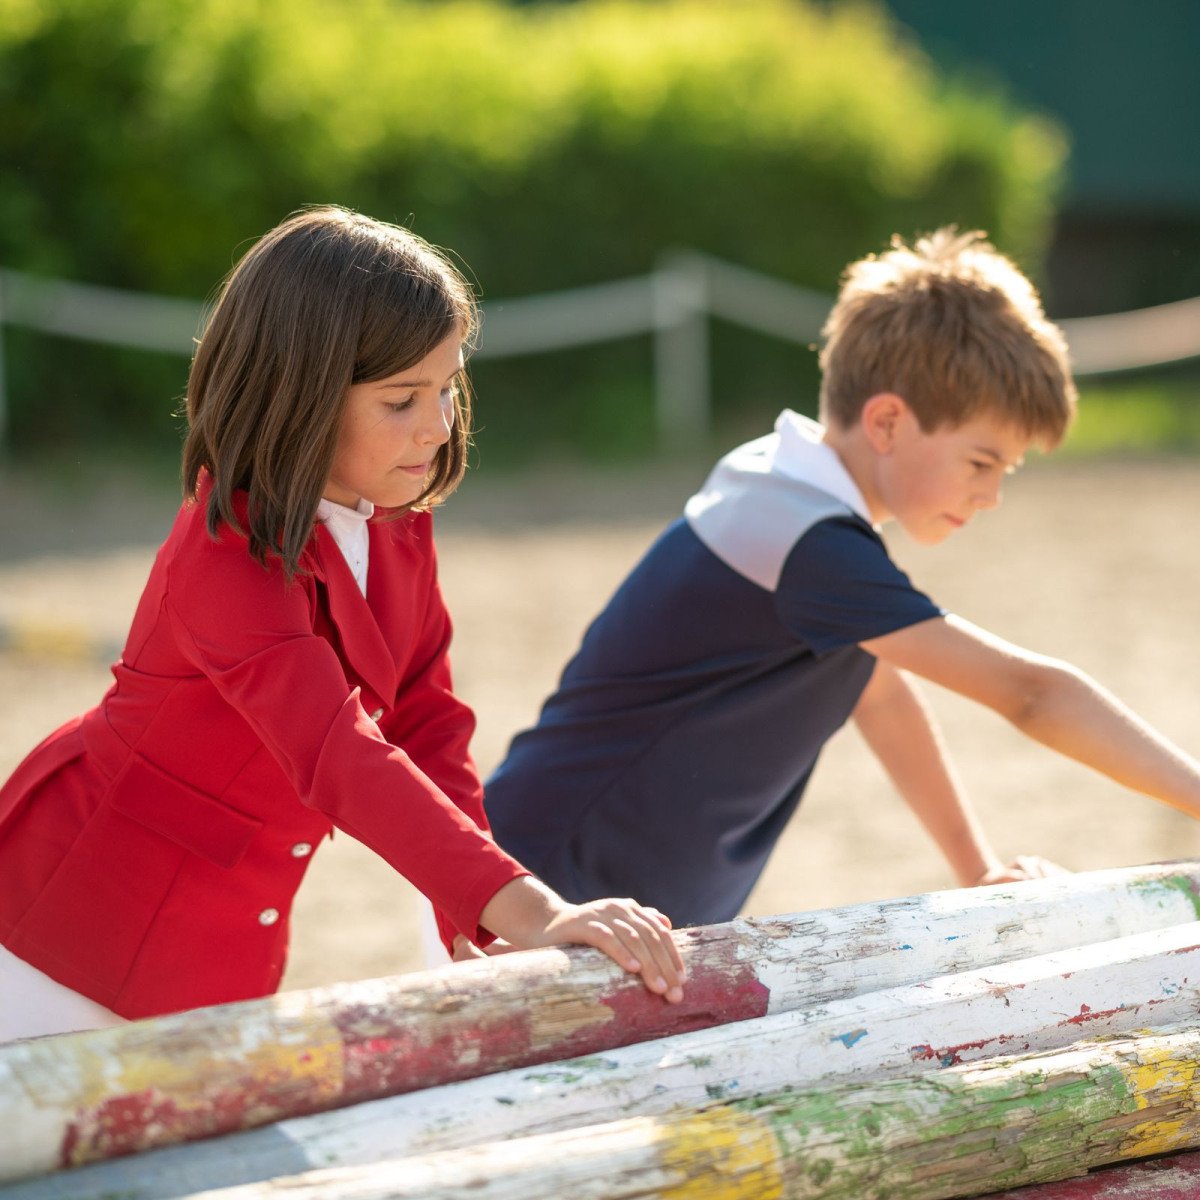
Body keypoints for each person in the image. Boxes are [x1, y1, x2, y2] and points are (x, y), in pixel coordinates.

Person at [0, 206, 684, 1042]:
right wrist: (539, 910)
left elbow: (428, 723)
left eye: (447, 387)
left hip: (224, 948)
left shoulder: (398, 513)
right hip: (67, 929)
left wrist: (477, 922)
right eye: (403, 399)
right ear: (301, 392)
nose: (437, 426)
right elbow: (341, 753)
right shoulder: (223, 553)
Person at [485, 227, 1200, 929]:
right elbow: (1032, 694)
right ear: (886, 421)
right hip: (544, 890)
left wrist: (976, 869)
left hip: (619, 902)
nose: (991, 496)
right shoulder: (809, 540)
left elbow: (883, 696)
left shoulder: (793, 493)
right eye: (981, 464)